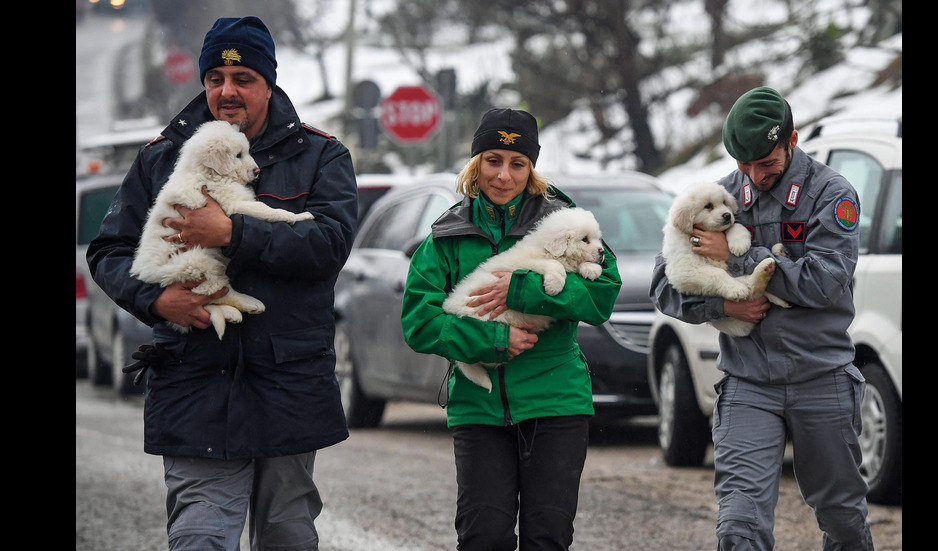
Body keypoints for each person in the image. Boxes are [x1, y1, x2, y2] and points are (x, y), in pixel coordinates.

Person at [86, 16, 358, 550]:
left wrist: (234, 232)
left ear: (269, 82)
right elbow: (109, 250)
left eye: (243, 79)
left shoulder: (321, 156)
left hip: (288, 382)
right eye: (215, 79)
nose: (227, 91)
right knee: (199, 536)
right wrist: (156, 298)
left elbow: (329, 246)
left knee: (287, 536)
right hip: (194, 381)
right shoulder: (161, 156)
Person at [650, 87, 874, 550]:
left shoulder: (832, 195)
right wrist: (725, 306)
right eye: (743, 165)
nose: (754, 176)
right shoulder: (715, 198)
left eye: (766, 164)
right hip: (749, 382)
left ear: (791, 141)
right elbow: (664, 285)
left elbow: (823, 283)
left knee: (843, 519)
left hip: (822, 377)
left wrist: (741, 259)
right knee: (739, 524)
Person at [401, 108, 622, 550]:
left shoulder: (567, 222)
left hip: (556, 402)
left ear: (531, 168)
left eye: (517, 163)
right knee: (483, 537)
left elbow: (603, 296)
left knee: (548, 537)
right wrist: (494, 339)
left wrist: (525, 292)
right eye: (493, 160)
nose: (503, 175)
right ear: (476, 163)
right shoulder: (446, 235)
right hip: (478, 408)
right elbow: (419, 321)